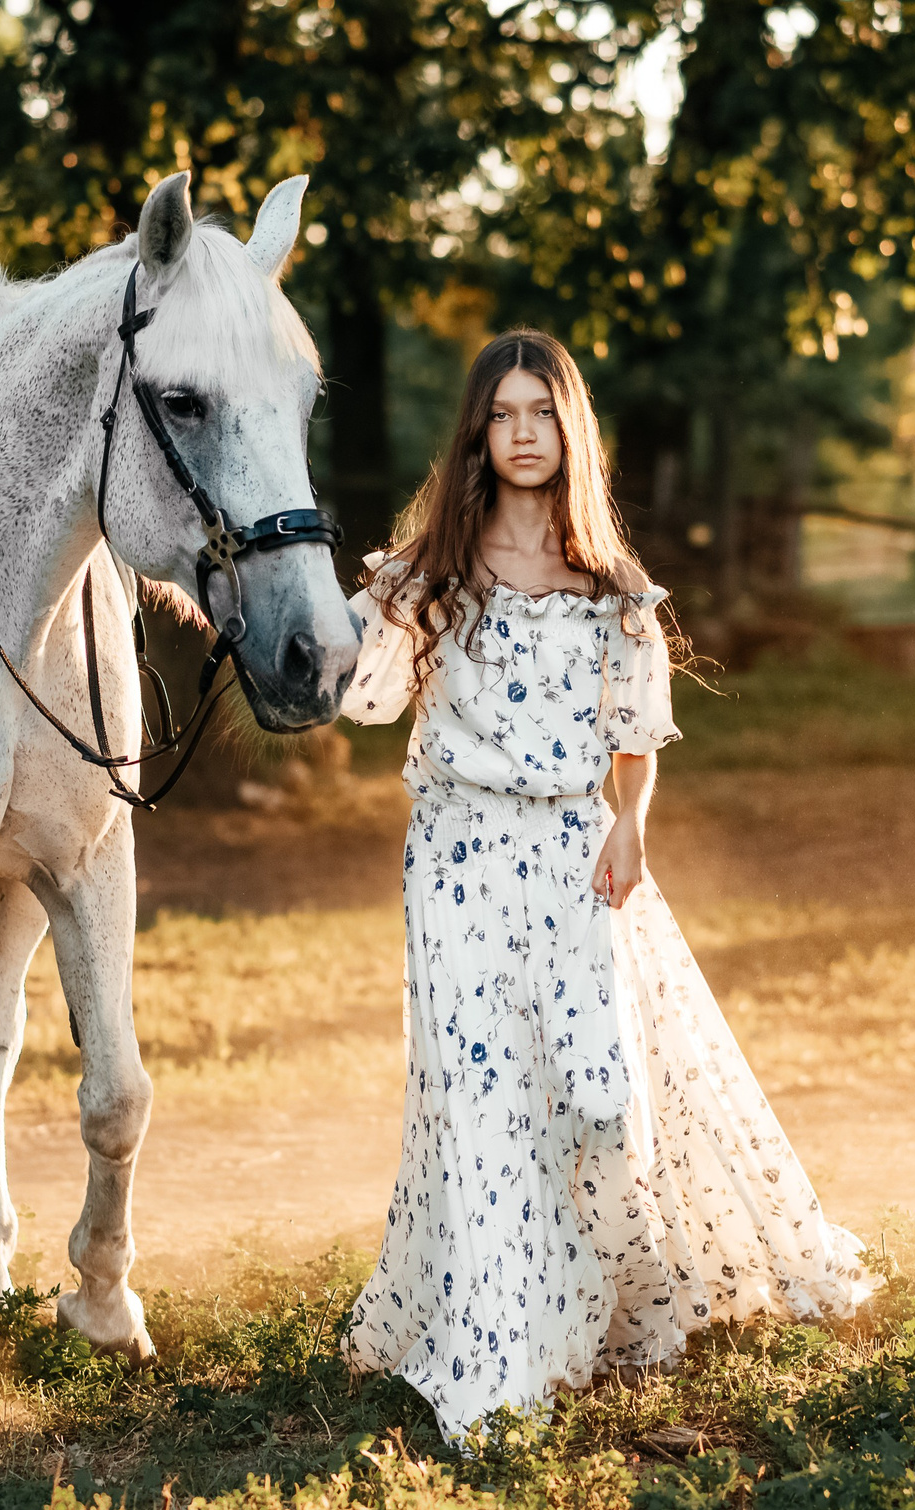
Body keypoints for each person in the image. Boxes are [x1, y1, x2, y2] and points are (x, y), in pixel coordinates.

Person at [338, 328, 873, 1441]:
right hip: (459, 857)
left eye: (543, 412)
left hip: (577, 857)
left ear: (569, 430)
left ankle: (613, 1299)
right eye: (503, 414)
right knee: (484, 1100)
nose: (523, 432)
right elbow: (364, 701)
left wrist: (630, 829)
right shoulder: (426, 579)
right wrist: (348, 618)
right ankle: (500, 1344)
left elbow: (636, 734)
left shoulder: (611, 585)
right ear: (478, 434)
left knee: (595, 1094)